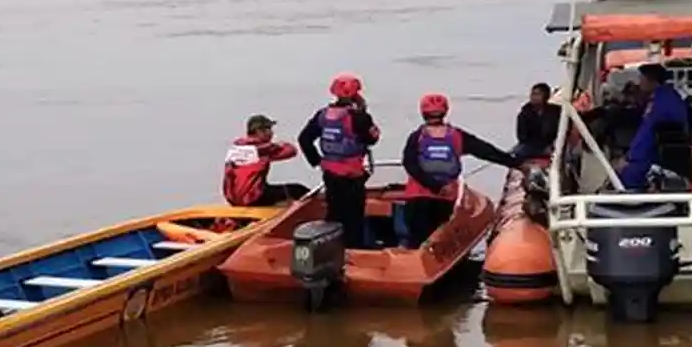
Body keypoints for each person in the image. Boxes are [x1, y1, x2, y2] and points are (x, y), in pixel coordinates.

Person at [401, 93, 520, 248]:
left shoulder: (416, 137)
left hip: (418, 197)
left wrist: (433, 186)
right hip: (445, 198)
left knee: (416, 240)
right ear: (445, 111)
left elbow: (410, 165)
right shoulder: (457, 136)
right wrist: (514, 162)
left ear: (423, 112)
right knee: (438, 240)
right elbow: (485, 150)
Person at [298, 74, 381, 250]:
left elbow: (304, 139)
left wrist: (318, 161)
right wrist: (363, 111)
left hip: (330, 174)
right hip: (353, 176)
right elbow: (372, 139)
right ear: (356, 94)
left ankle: (331, 248)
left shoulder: (322, 115)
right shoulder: (359, 117)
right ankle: (354, 250)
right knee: (354, 217)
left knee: (334, 213)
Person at [617, 64, 689, 190]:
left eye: (641, 79)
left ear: (650, 80)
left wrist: (629, 158)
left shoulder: (658, 104)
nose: (639, 83)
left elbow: (646, 135)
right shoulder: (670, 96)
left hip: (654, 159)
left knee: (626, 174)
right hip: (674, 156)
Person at [223, 114, 303, 206]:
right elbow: (291, 151)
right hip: (253, 198)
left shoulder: (236, 148)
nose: (272, 133)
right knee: (298, 190)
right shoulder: (262, 149)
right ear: (259, 131)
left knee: (266, 188)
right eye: (269, 128)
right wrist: (279, 143)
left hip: (234, 199)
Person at [513, 83, 562, 160]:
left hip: (554, 145)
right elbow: (522, 137)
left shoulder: (556, 111)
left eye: (537, 94)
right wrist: (542, 147)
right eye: (533, 94)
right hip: (533, 147)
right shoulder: (524, 113)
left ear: (546, 96)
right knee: (519, 151)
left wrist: (552, 145)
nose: (534, 97)